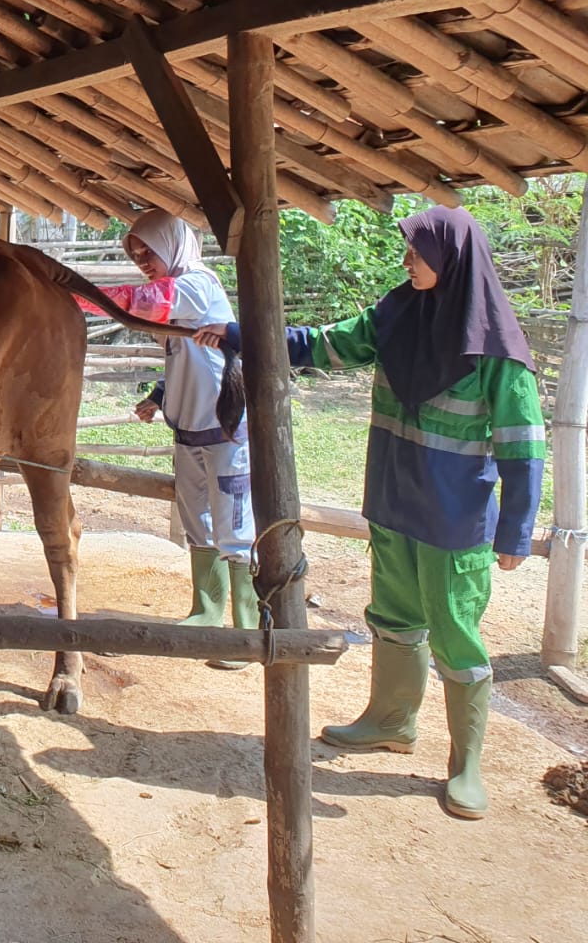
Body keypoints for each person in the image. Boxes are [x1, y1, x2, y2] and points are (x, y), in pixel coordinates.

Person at [196, 205, 544, 819]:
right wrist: (237, 333)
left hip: (453, 520)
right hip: (392, 502)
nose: (407, 261)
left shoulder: (497, 352)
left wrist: (515, 530)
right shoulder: (395, 314)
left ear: (452, 260)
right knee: (393, 615)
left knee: (455, 631)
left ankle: (465, 765)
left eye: (418, 251)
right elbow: (321, 345)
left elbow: (523, 449)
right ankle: (391, 720)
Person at [83, 210, 256, 659]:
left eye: (149, 251)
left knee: (234, 524)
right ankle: (207, 611)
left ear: (173, 246)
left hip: (223, 428)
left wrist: (78, 293)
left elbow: (139, 302)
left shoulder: (196, 285)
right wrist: (160, 396)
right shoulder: (179, 293)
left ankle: (247, 629)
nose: (142, 261)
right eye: (136, 254)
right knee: (198, 521)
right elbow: (186, 358)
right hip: (189, 429)